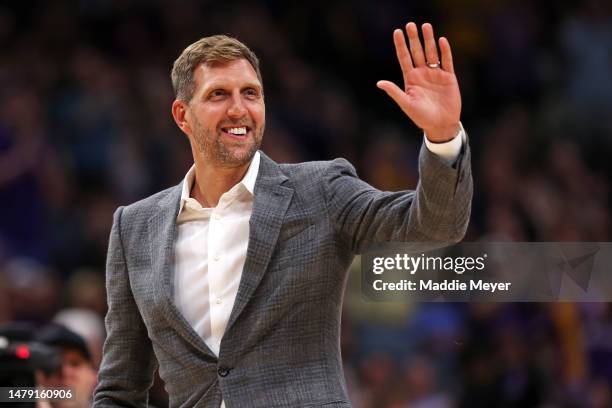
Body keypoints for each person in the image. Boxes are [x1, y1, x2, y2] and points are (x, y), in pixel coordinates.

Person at [93, 22, 472, 407]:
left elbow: (435, 227)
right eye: (218, 95)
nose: (239, 109)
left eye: (251, 94)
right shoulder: (135, 227)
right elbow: (119, 389)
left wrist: (443, 137)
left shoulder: (321, 190)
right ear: (182, 115)